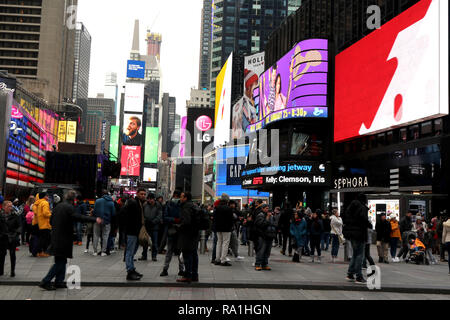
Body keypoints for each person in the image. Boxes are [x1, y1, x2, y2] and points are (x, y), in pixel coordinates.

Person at [38, 190, 101, 290]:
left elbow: (51, 220)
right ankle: (45, 281)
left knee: (61, 259)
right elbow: (78, 217)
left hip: (55, 236)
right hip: (63, 238)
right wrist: (94, 219)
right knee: (61, 261)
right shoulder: (69, 208)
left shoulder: (58, 206)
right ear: (74, 199)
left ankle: (59, 281)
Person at [342, 193, 371, 284]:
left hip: (351, 233)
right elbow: (363, 219)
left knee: (355, 254)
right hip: (360, 233)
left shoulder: (350, 207)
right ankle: (359, 276)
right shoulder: (362, 207)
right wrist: (369, 224)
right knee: (360, 255)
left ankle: (350, 274)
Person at [160, 190, 185, 277]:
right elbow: (165, 217)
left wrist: (179, 221)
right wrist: (175, 220)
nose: (178, 198)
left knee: (180, 251)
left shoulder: (182, 205)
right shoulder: (169, 204)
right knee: (170, 251)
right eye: (178, 196)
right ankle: (165, 269)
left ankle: (181, 269)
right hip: (171, 230)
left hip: (179, 230)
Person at [123, 188, 146, 281]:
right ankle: (129, 272)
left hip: (136, 232)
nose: (143, 196)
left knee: (132, 252)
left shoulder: (139, 203)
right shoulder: (133, 203)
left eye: (144, 194)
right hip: (132, 232)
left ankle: (132, 269)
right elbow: (124, 215)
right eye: (141, 194)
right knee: (129, 252)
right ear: (137, 194)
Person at [177, 192, 199, 283]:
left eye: (181, 197)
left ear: (185, 198)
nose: (180, 198)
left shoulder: (186, 206)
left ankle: (187, 275)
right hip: (195, 233)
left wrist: (178, 226)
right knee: (194, 254)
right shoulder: (194, 205)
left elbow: (186, 221)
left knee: (187, 254)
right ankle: (194, 275)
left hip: (187, 233)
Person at [0, 201, 21, 277]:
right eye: (9, 206)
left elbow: (19, 226)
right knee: (1, 254)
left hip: (12, 237)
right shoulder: (0, 215)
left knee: (12, 254)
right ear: (3, 207)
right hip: (2, 238)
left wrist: (16, 234)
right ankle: (1, 271)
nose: (11, 208)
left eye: (11, 206)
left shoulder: (15, 215)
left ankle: (12, 271)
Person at [92, 190, 116, 256]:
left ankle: (95, 251)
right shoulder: (111, 202)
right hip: (107, 221)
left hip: (97, 220)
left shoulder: (97, 201)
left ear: (102, 194)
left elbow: (94, 211)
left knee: (96, 235)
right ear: (108, 194)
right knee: (105, 236)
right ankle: (103, 251)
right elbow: (113, 213)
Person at [140, 193, 162, 261]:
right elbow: (142, 214)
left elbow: (159, 215)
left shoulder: (158, 205)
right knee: (145, 241)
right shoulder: (145, 205)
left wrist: (153, 221)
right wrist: (146, 221)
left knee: (154, 243)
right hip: (147, 226)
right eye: (148, 199)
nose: (150, 200)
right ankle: (144, 255)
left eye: (151, 199)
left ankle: (154, 256)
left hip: (154, 227)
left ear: (154, 199)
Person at [254, 204, 277, 271]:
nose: (268, 210)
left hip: (270, 236)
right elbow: (261, 225)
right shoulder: (260, 215)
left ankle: (265, 264)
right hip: (262, 236)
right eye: (266, 208)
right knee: (261, 250)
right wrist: (267, 218)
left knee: (267, 251)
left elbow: (274, 224)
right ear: (263, 209)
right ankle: (258, 264)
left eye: (268, 208)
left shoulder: (271, 216)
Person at [213, 194, 234, 266]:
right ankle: (223, 260)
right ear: (227, 200)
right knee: (225, 243)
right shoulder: (228, 208)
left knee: (219, 242)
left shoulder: (217, 207)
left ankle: (217, 259)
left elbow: (214, 218)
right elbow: (231, 219)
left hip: (218, 228)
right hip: (226, 228)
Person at [33, 192, 52, 257]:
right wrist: (52, 215)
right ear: (44, 196)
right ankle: (41, 252)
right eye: (47, 196)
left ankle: (39, 252)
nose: (48, 197)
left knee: (41, 239)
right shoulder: (45, 203)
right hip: (45, 224)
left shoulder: (39, 203)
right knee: (44, 239)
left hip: (40, 223)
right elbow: (45, 213)